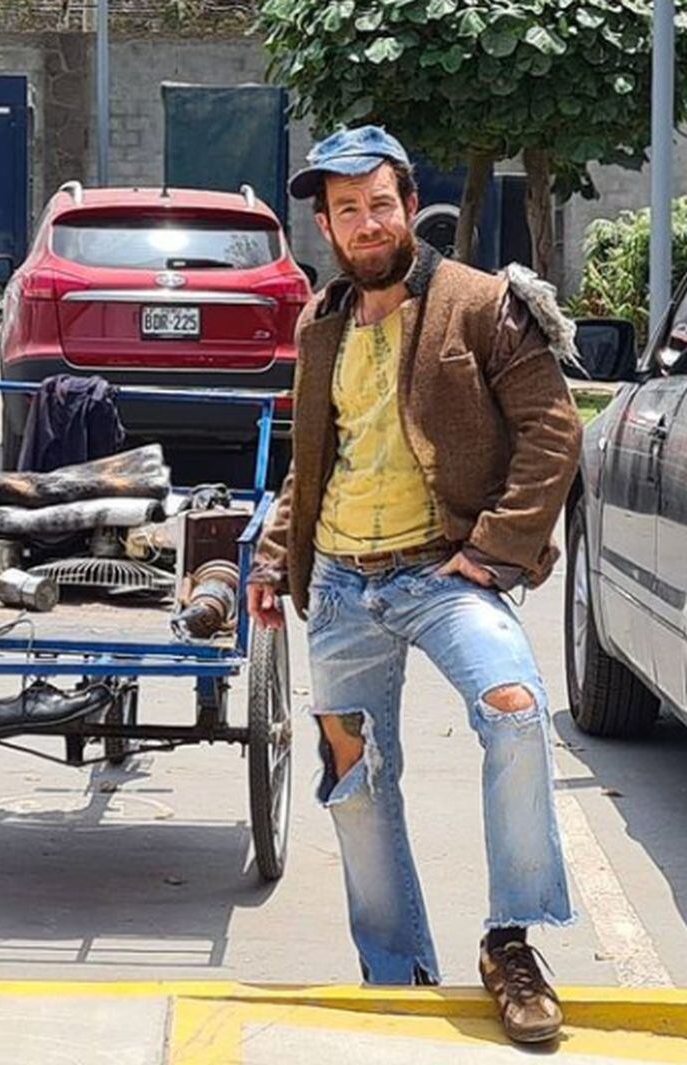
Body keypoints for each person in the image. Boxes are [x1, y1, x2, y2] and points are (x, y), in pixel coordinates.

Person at [248, 126, 582, 1045]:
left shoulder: (480, 304)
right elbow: (312, 469)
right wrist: (274, 560)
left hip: (443, 576)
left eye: (381, 204)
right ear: (325, 224)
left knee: (513, 706)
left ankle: (510, 942)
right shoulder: (320, 326)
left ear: (408, 206)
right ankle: (397, 973)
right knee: (356, 782)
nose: (367, 223)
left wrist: (494, 550)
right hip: (345, 592)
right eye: (346, 209)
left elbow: (553, 433)